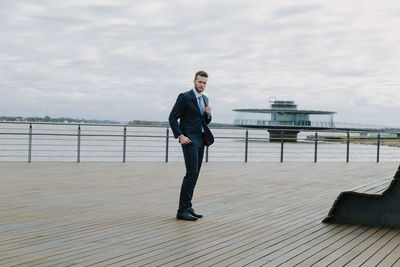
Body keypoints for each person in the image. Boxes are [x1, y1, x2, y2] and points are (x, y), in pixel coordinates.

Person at [169, 70, 212, 221]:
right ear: (194, 81)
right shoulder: (185, 97)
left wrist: (208, 114)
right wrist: (180, 136)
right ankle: (181, 210)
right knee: (191, 173)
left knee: (195, 174)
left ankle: (188, 206)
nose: (202, 85)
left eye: (204, 83)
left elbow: (203, 122)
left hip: (201, 140)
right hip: (189, 141)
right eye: (200, 82)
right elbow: (172, 118)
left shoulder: (205, 98)